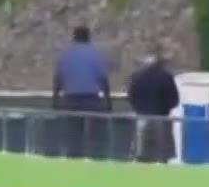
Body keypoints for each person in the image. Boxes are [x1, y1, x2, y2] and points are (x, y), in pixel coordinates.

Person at [52, 25, 111, 157]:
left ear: (74, 37)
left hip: (71, 99)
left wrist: (55, 100)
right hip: (92, 100)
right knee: (96, 135)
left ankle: (74, 159)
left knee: (73, 136)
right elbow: (103, 79)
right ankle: (95, 159)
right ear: (88, 37)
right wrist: (108, 101)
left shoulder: (66, 55)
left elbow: (58, 79)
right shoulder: (94, 54)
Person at [125, 53, 181, 162]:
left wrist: (139, 108)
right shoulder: (166, 76)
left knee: (142, 154)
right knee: (162, 156)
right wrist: (165, 108)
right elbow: (174, 100)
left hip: (141, 118)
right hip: (161, 118)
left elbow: (131, 96)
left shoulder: (137, 76)